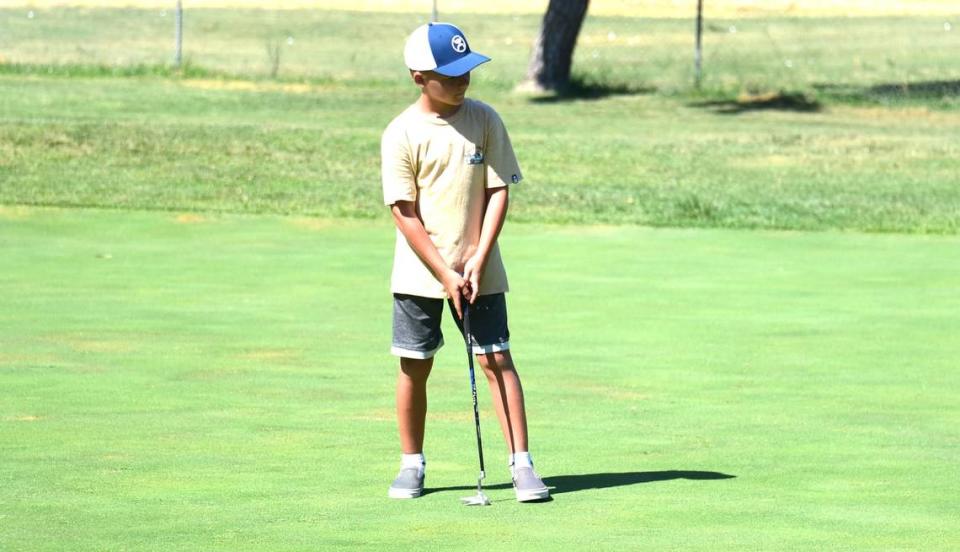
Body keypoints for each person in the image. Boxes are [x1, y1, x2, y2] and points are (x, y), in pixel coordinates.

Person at [381, 22, 548, 502]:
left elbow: (499, 191)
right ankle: (411, 463)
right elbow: (404, 212)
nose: (461, 81)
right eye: (449, 74)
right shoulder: (401, 133)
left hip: (482, 270)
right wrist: (444, 271)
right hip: (420, 274)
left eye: (466, 71)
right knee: (415, 364)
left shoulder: (486, 120)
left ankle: (522, 464)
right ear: (418, 77)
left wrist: (476, 258)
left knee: (496, 359)